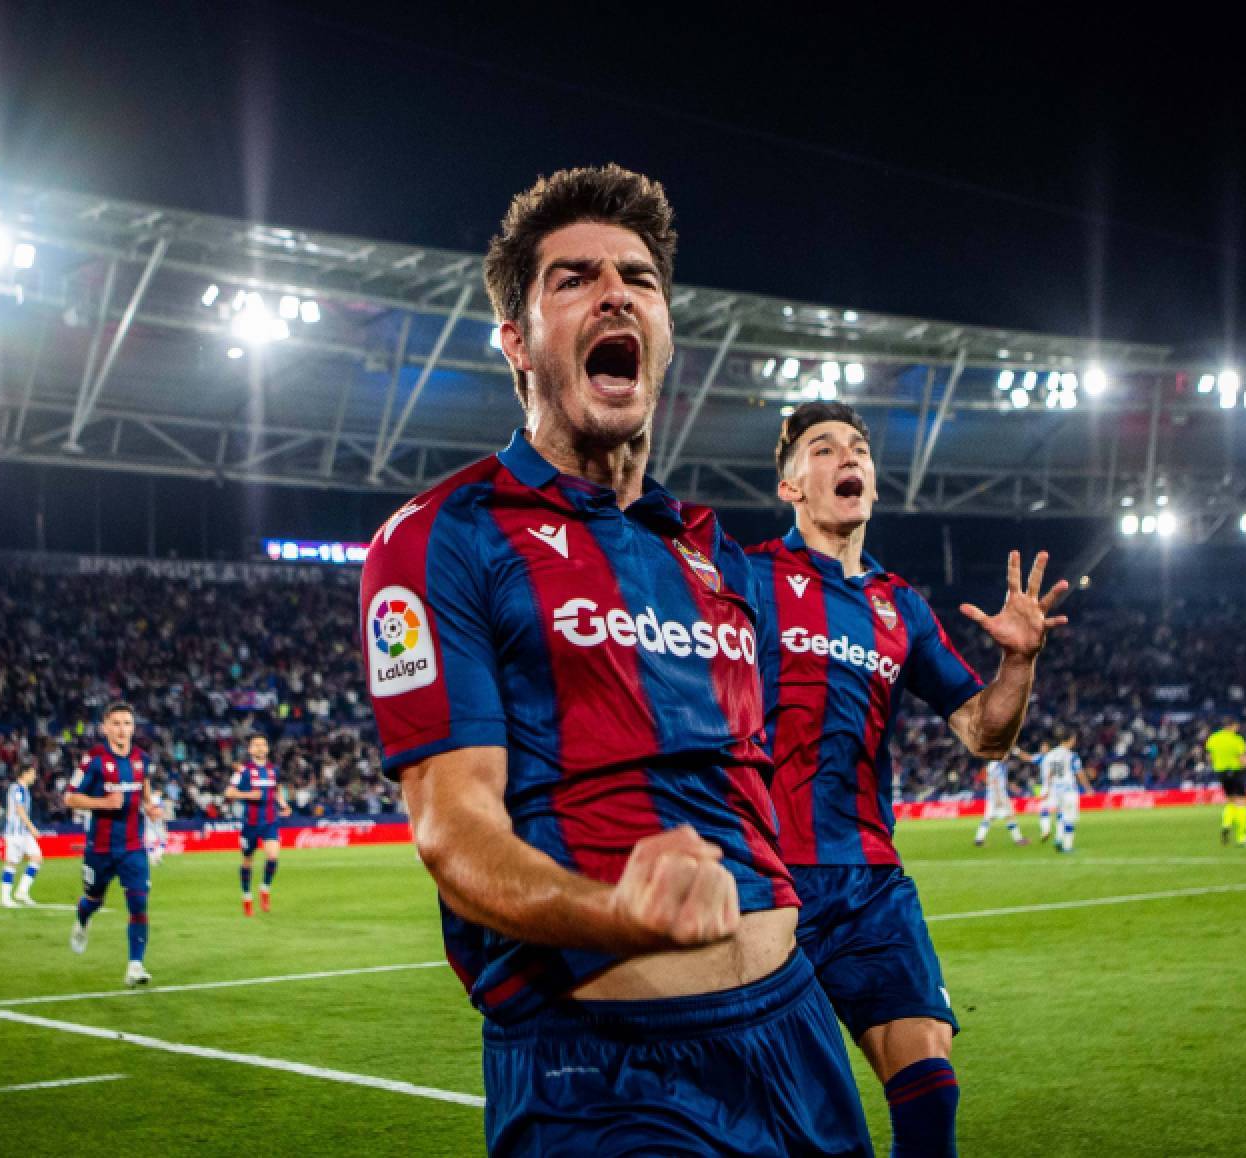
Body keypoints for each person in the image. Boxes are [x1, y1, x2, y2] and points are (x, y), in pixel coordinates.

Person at [360, 165, 869, 1156]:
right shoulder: (440, 536)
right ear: (516, 342)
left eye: (638, 278)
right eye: (573, 278)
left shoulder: (714, 553)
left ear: (665, 332)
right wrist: (615, 912)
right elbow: (452, 831)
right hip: (602, 1069)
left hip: (797, 1032)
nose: (615, 294)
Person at [747, 399, 1068, 1156]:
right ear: (790, 486)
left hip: (870, 885)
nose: (847, 457)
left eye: (857, 448)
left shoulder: (901, 608)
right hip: (764, 881)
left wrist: (1018, 662)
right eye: (823, 448)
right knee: (793, 1121)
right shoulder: (742, 576)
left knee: (930, 1087)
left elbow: (985, 734)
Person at [63, 702, 163, 987]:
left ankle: (135, 965)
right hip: (100, 848)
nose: (122, 729)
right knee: (94, 900)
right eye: (116, 724)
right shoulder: (93, 759)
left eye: (127, 724)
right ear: (105, 728)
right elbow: (70, 798)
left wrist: (150, 807)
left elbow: (144, 788)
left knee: (139, 904)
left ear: (133, 728)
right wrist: (104, 803)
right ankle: (82, 921)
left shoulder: (142, 759)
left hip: (133, 847)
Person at [225, 734, 291, 916]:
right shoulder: (243, 771)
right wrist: (249, 795)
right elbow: (229, 792)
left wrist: (284, 805)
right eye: (256, 745)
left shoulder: (273, 770)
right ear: (250, 749)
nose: (260, 747)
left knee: (273, 856)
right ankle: (247, 897)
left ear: (267, 748)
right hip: (251, 824)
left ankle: (265, 889)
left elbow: (276, 790)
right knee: (248, 861)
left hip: (270, 821)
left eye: (263, 744)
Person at [0, 765, 43, 907]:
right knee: (12, 863)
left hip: (23, 832)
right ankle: (5, 898)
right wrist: (32, 827)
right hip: (15, 833)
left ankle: (22, 892)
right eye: (32, 773)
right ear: (24, 774)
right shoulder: (17, 789)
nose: (34, 776)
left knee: (37, 858)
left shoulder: (23, 789)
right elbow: (19, 809)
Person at [1205, 717, 1246, 846]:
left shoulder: (1213, 738)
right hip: (1235, 772)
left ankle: (1226, 824)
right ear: (1232, 725)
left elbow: (1209, 757)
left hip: (1221, 773)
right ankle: (1242, 837)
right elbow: (1243, 761)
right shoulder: (1237, 739)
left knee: (1230, 800)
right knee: (1241, 802)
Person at [1039, 733, 1090, 853]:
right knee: (1069, 818)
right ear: (1070, 740)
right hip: (1068, 790)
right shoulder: (1071, 755)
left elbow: (1049, 774)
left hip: (1056, 791)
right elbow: (1079, 773)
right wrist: (1088, 788)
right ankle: (1067, 846)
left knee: (1061, 815)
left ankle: (1058, 839)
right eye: (1073, 739)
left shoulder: (1050, 755)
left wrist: (1047, 789)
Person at [974, 753, 1030, 847]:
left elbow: (998, 781)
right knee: (1009, 816)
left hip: (995, 795)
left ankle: (979, 839)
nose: (1007, 756)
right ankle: (1018, 839)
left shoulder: (1000, 765)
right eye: (1005, 754)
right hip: (998, 796)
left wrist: (1014, 788)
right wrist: (998, 796)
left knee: (991, 817)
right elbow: (992, 780)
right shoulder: (995, 765)